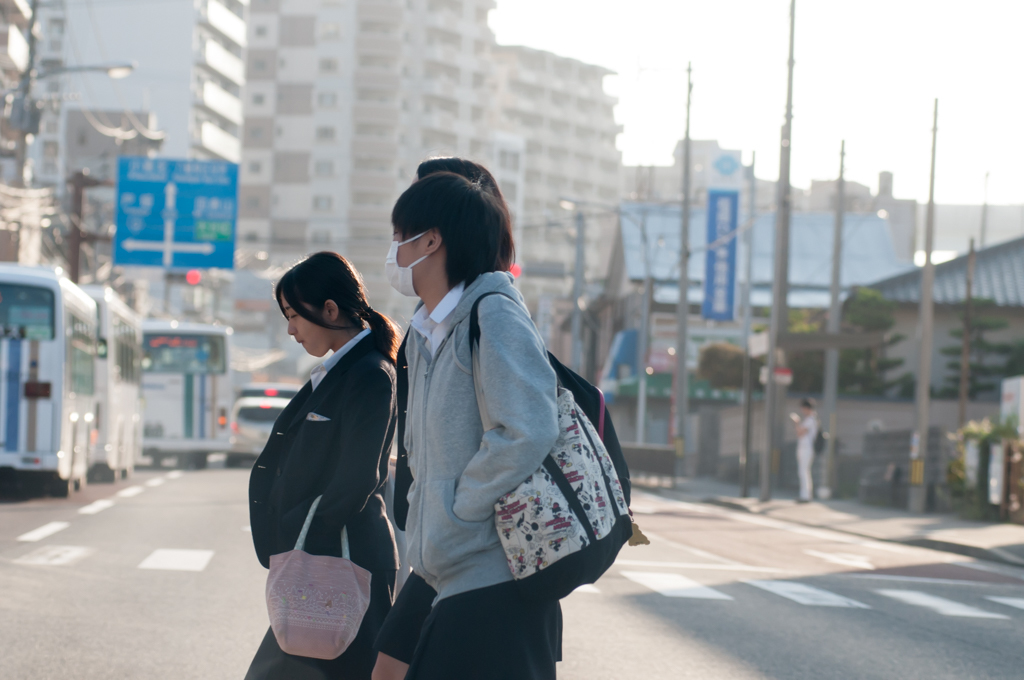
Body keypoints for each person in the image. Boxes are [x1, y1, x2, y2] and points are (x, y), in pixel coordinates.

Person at [380, 171, 562, 680]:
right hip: (448, 571)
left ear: (430, 240)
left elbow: (527, 429)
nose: (393, 251)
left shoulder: (493, 313)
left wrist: (459, 511)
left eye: (399, 237)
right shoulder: (426, 329)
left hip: (491, 575)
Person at [246, 252, 402, 680]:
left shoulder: (371, 373)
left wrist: (300, 528)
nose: (291, 329)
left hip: (345, 561)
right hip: (323, 560)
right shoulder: (338, 371)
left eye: (295, 316)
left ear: (330, 309)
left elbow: (358, 478)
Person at [791, 398, 819, 503]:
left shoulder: (811, 420)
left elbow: (800, 432)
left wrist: (797, 422)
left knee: (804, 471)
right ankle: (805, 495)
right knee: (804, 471)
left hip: (807, 449)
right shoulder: (810, 419)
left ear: (807, 408)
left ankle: (805, 496)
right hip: (805, 448)